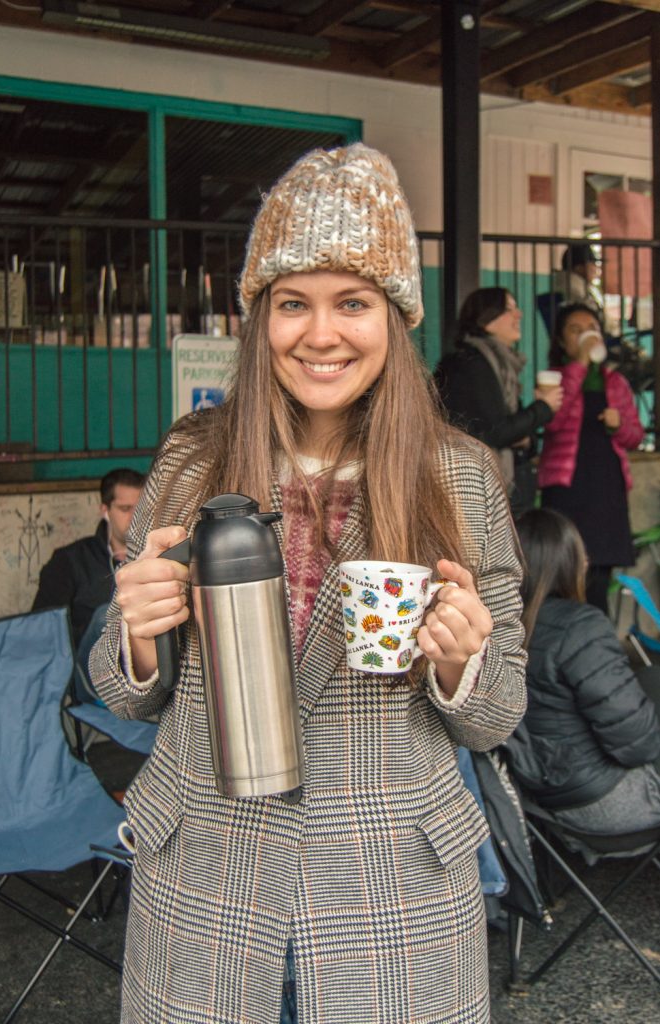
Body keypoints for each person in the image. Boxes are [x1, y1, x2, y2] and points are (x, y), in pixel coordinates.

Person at [90, 143, 527, 1024]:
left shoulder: (460, 477)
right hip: (206, 882)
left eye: (352, 303)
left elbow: (498, 713)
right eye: (292, 303)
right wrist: (135, 634)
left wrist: (458, 663)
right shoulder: (189, 462)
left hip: (391, 891)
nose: (320, 334)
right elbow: (121, 694)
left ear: (395, 319)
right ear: (259, 319)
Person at [512, 508, 660, 834]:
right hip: (605, 800)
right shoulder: (580, 626)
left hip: (538, 800)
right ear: (570, 561)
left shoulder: (498, 628)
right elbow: (639, 744)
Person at [538, 302, 644, 613]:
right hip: (567, 492)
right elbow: (552, 421)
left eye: (592, 329)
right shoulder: (554, 378)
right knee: (561, 571)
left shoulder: (616, 382)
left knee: (598, 579)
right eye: (576, 330)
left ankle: (595, 647)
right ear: (561, 341)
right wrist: (580, 366)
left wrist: (619, 425)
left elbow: (635, 436)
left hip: (606, 491)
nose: (587, 335)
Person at [435, 287, 562, 518]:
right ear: (487, 319)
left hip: (503, 490)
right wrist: (543, 408)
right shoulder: (471, 364)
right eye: (509, 309)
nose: (519, 315)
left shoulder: (501, 366)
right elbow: (494, 432)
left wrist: (526, 437)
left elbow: (512, 431)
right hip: (475, 492)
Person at [32, 467, 145, 647]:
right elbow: (43, 628)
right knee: (106, 616)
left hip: (144, 658)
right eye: (125, 509)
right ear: (105, 510)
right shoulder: (69, 560)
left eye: (141, 509)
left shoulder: (156, 557)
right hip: (86, 661)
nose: (135, 518)